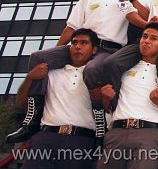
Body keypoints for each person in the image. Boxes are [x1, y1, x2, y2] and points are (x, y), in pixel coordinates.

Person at [6, 0, 134, 143]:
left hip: (107, 48)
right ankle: (32, 120)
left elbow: (141, 15)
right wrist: (57, 52)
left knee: (91, 71)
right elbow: (71, 26)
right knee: (38, 58)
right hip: (82, 42)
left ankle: (100, 126)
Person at [98, 23, 158, 169]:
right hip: (116, 131)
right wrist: (105, 99)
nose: (147, 41)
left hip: (148, 134)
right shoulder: (123, 69)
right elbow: (108, 107)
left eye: (153, 38)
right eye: (144, 36)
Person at [16, 29, 98, 169]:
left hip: (82, 140)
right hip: (46, 138)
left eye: (84, 43)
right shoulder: (51, 74)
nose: (77, 46)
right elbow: (20, 104)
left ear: (94, 50)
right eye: (74, 43)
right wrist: (29, 78)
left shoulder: (97, 76)